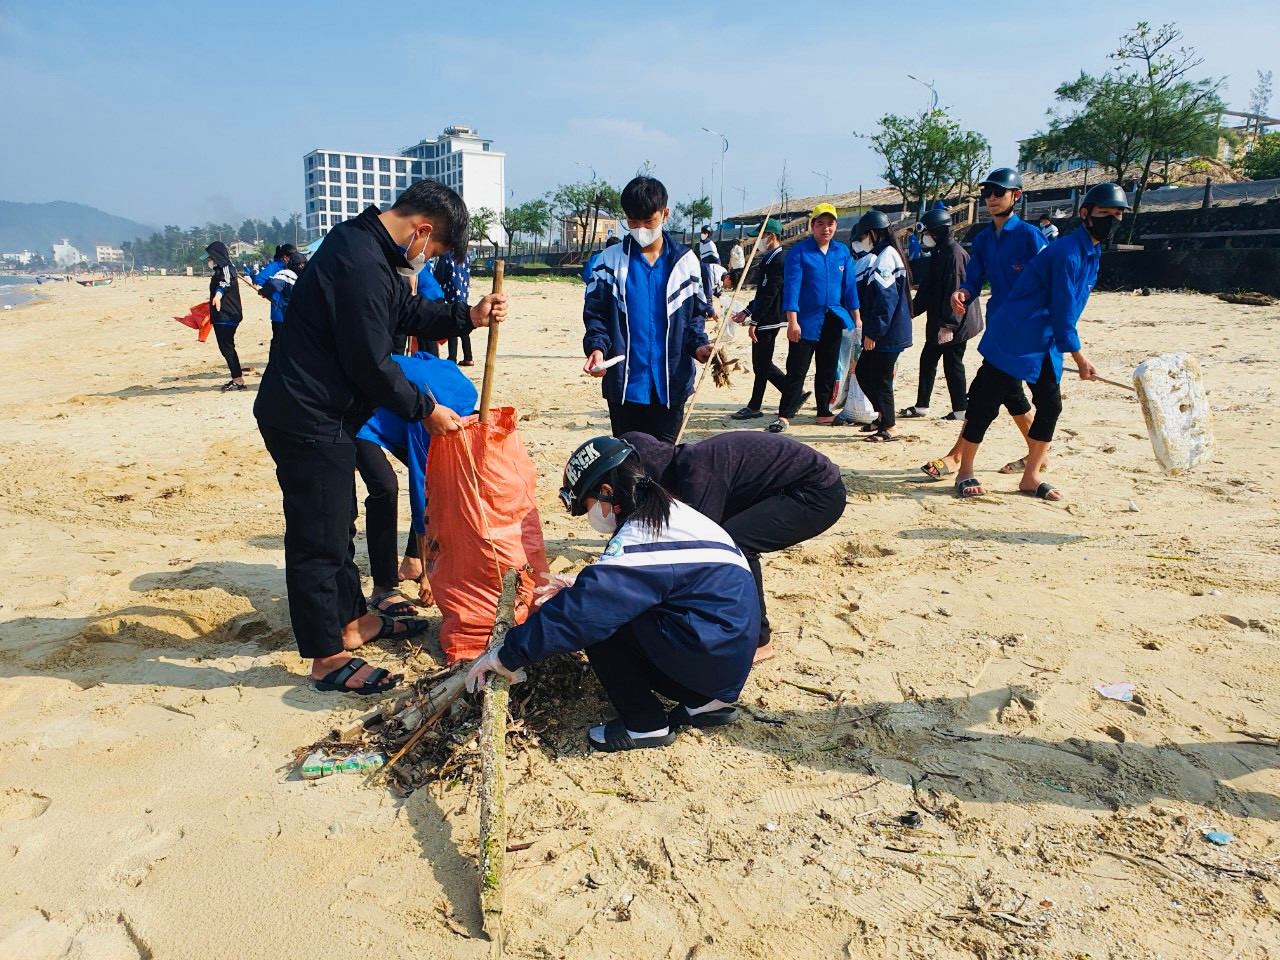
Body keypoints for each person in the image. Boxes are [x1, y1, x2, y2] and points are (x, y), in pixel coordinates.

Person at [254, 180, 508, 695]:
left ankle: (352, 623)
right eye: (433, 250)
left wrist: (468, 317)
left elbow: (406, 315)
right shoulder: (358, 260)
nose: (426, 258)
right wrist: (425, 409)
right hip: (306, 413)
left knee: (337, 522)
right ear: (422, 230)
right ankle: (327, 658)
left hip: (333, 414)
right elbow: (370, 363)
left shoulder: (371, 251)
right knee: (317, 537)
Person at [464, 437, 760, 752]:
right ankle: (704, 704)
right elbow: (662, 580)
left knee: (598, 624)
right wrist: (582, 585)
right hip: (727, 655)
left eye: (588, 507)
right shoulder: (673, 513)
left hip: (709, 656)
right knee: (602, 605)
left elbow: (584, 614)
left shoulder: (639, 535)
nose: (590, 517)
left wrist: (506, 655)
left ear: (607, 493)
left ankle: (644, 725)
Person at [952, 182, 1128, 501]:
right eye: (1105, 213)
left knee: (1050, 404)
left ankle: (1030, 477)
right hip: (1015, 332)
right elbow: (1062, 309)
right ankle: (965, 471)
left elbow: (1067, 310)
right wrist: (1080, 358)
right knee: (985, 402)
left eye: (1118, 214)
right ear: (1085, 214)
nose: (1112, 220)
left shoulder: (1089, 251)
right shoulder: (1066, 253)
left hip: (1045, 338)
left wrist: (1069, 347)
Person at [622, 430, 845, 663]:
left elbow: (699, 550)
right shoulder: (683, 463)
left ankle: (760, 641)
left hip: (817, 494)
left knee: (735, 543)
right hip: (780, 487)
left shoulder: (698, 475)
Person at [919, 168, 1048, 480]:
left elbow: (1050, 281)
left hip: (1029, 332)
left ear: (1016, 196)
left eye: (998, 192)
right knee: (1010, 393)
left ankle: (956, 457)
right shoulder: (985, 239)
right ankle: (1038, 455)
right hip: (999, 327)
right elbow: (974, 277)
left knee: (983, 392)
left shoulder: (1032, 237)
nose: (991, 198)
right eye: (987, 192)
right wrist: (963, 292)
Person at [583, 176, 714, 443]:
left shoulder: (687, 262)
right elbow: (597, 316)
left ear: (665, 214)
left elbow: (694, 319)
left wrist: (701, 347)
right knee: (629, 462)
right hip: (625, 384)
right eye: (633, 221)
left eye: (648, 221)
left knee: (665, 463)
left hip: (671, 384)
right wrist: (597, 349)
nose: (640, 228)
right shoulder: (608, 262)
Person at [355, 351, 478, 617]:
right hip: (356, 411)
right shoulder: (433, 416)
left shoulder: (466, 393)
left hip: (396, 400)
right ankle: (383, 586)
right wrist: (431, 573)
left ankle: (411, 562)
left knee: (441, 478)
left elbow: (425, 357)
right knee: (385, 487)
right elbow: (423, 490)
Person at [768, 203, 860, 434]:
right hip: (805, 320)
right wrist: (792, 321)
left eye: (830, 224)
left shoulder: (842, 252)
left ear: (836, 226)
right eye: (821, 224)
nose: (826, 229)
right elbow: (792, 288)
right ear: (812, 226)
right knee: (797, 368)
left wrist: (856, 317)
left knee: (828, 367)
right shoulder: (800, 252)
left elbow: (849, 288)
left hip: (834, 317)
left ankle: (824, 411)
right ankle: (785, 414)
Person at [900, 207, 982, 421]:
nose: (925, 237)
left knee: (953, 365)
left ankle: (961, 410)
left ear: (937, 232)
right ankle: (922, 406)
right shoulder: (939, 252)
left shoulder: (954, 255)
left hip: (956, 322)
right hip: (941, 320)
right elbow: (928, 288)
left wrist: (948, 326)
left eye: (927, 233)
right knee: (928, 360)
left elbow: (955, 292)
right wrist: (911, 310)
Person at [843, 210, 912, 441]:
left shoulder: (886, 257)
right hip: (886, 330)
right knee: (864, 371)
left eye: (863, 236)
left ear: (873, 233)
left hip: (887, 332)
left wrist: (874, 332)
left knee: (880, 377)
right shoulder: (885, 254)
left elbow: (885, 300)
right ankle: (883, 416)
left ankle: (890, 426)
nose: (861, 241)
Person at [729, 218, 786, 420]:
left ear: (770, 237)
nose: (758, 242)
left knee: (761, 364)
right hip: (764, 315)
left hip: (770, 318)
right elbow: (761, 294)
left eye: (760, 237)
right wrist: (747, 310)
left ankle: (758, 405)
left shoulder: (778, 261)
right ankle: (791, 392)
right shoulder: (769, 259)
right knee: (761, 364)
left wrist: (755, 320)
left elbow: (770, 294)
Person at [205, 241, 245, 391]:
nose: (209, 260)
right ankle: (236, 377)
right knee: (225, 347)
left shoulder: (227, 268)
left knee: (227, 347)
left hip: (228, 315)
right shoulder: (219, 270)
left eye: (210, 257)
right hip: (220, 315)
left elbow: (225, 283)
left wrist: (218, 295)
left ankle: (238, 379)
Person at [261, 251, 306, 351]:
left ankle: (274, 366)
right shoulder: (307, 274)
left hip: (287, 316)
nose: (302, 266)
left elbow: (272, 286)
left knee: (278, 344)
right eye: (301, 264)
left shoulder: (286, 274)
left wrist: (264, 292)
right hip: (302, 317)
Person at [435, 251, 474, 365]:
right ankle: (468, 356)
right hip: (463, 292)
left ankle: (452, 357)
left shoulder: (447, 255)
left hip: (451, 294)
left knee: (452, 324)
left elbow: (439, 276)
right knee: (463, 324)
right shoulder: (465, 255)